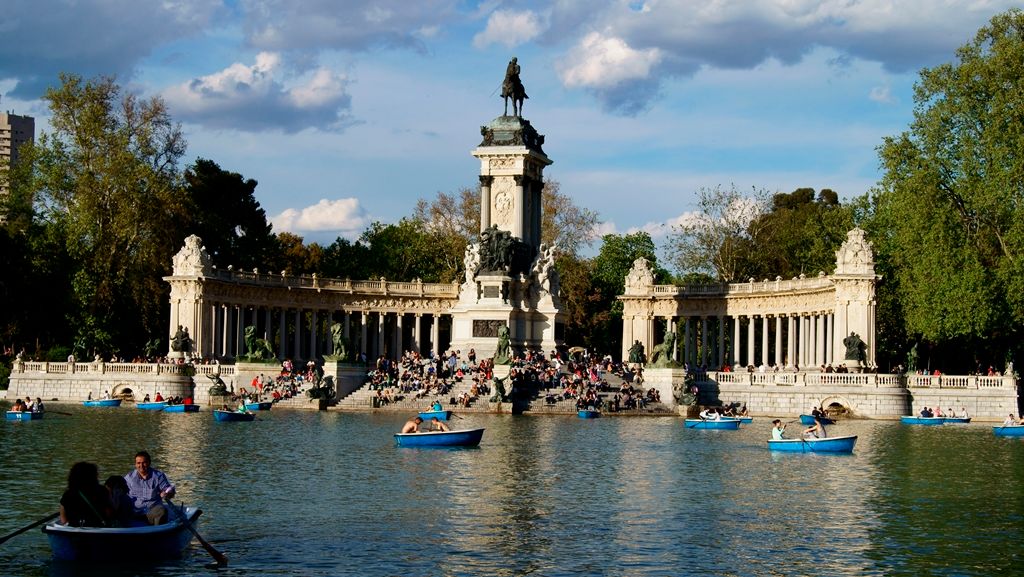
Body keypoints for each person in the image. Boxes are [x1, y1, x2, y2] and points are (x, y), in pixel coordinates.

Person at [124, 450, 175, 525]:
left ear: (149, 463)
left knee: (162, 510)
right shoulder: (129, 477)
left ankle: (157, 532)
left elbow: (169, 490)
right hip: (134, 512)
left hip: (152, 512)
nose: (141, 466)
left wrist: (167, 493)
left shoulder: (158, 476)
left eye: (144, 462)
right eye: (138, 463)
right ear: (135, 464)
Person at [60, 462, 112, 527]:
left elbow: (63, 519)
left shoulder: (68, 494)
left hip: (74, 529)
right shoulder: (102, 491)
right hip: (99, 528)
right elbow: (109, 514)